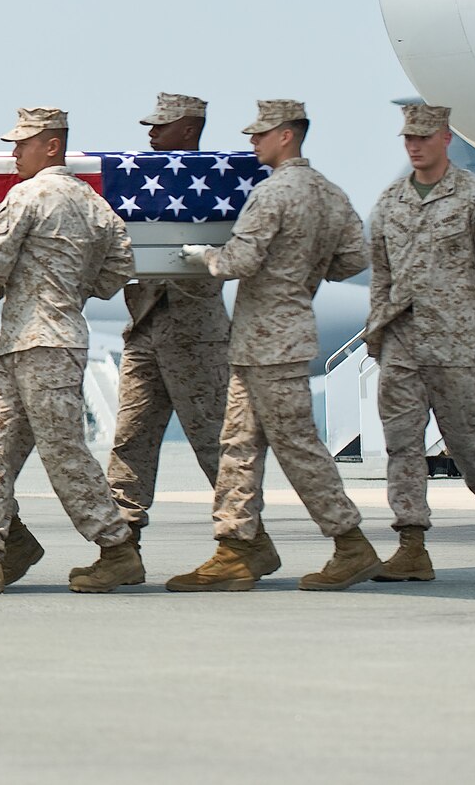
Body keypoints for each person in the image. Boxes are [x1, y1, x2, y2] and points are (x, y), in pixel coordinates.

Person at [167, 100, 381, 592]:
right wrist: (302, 272)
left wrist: (205, 257)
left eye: (260, 135)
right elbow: (353, 257)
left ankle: (350, 544)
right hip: (277, 336)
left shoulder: (272, 194)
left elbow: (239, 261)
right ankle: (236, 548)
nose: (253, 143)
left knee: (296, 446)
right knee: (237, 445)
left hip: (269, 341)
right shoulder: (330, 193)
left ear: (287, 135)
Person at [0, 107, 141, 595]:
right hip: (43, 338)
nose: (13, 154)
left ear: (51, 145)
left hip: (40, 344)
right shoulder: (93, 202)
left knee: (64, 452)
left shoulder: (28, 195)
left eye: (22, 144)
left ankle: (116, 548)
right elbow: (119, 267)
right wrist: (71, 290)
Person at [363, 102, 475, 581]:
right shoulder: (391, 201)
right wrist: (377, 332)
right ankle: (411, 546)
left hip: (457, 345)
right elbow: (382, 275)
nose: (414, 146)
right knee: (403, 446)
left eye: (423, 137)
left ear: (445, 139)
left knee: (470, 443)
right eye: (408, 139)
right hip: (400, 343)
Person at [104, 93, 231, 551]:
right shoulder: (143, 182)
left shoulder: (218, 185)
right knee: (131, 437)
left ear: (189, 130)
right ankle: (122, 540)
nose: (151, 134)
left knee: (215, 440)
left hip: (196, 334)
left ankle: (242, 539)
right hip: (144, 327)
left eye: (161, 126)